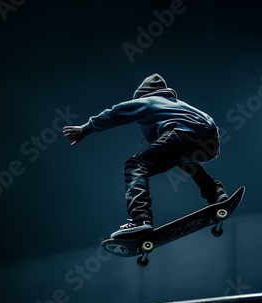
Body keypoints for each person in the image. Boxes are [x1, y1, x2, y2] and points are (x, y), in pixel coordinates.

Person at [63, 73, 228, 238]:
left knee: (135, 165)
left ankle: (140, 218)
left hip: (181, 133)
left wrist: (86, 129)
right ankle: (216, 193)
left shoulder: (148, 101)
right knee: (182, 159)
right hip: (210, 140)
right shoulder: (177, 104)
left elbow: (116, 113)